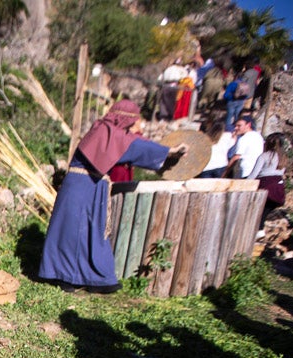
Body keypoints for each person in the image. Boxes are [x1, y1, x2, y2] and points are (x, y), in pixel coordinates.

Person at [39, 100, 186, 293]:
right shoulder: (104, 132)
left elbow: (134, 144)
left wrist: (166, 154)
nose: (135, 124)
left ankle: (91, 277)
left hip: (92, 186)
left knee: (90, 232)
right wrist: (169, 151)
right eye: (134, 119)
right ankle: (64, 276)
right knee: (71, 232)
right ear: (126, 118)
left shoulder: (110, 133)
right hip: (80, 186)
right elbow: (135, 147)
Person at [246, 132, 287, 233]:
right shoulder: (283, 158)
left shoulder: (264, 156)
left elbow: (254, 175)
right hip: (278, 187)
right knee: (265, 212)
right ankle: (260, 231)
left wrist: (244, 184)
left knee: (258, 212)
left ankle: (257, 231)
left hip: (265, 185)